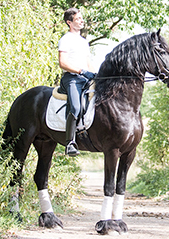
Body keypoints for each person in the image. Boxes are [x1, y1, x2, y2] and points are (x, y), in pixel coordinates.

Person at [58, 8, 96, 157]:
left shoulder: (83, 42)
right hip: (72, 79)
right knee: (75, 106)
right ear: (69, 22)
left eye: (81, 18)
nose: (82, 20)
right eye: (78, 19)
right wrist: (81, 71)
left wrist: (94, 75)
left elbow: (88, 63)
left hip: (85, 78)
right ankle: (70, 143)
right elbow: (62, 63)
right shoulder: (66, 39)